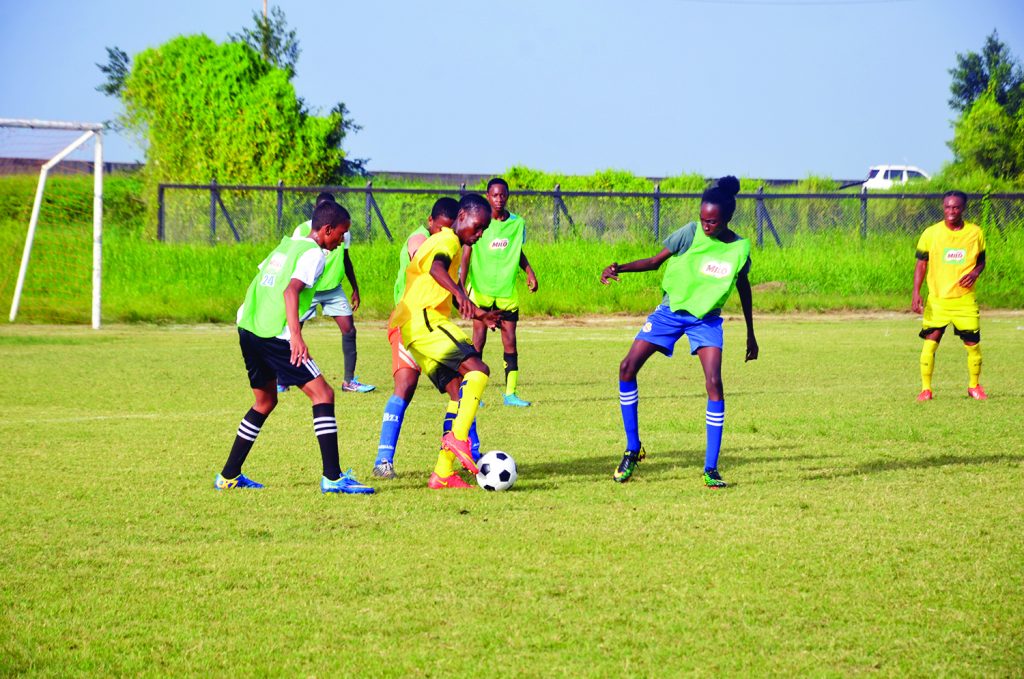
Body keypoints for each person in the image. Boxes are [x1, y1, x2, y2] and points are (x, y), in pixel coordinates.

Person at [600, 176, 758, 489]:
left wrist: (751, 333)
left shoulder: (739, 249)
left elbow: (743, 287)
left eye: (712, 221)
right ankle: (633, 449)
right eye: (702, 219)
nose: (706, 225)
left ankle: (711, 469)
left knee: (714, 383)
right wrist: (619, 268)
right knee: (627, 367)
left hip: (706, 320)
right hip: (670, 312)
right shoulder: (689, 232)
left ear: (726, 218)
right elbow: (655, 261)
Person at [215, 200, 374, 494]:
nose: (342, 241)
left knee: (264, 402)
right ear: (327, 230)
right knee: (323, 394)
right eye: (341, 233)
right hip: (275, 333)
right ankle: (333, 477)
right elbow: (291, 290)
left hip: (248, 327)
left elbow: (263, 280)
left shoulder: (287, 245)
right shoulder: (314, 254)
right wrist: (296, 337)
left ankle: (229, 475)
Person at [390, 193, 500, 489]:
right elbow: (437, 270)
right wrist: (462, 294)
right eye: (476, 227)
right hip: (423, 321)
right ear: (461, 216)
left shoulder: (447, 241)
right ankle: (459, 438)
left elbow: (435, 280)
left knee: (457, 393)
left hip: (414, 330)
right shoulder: (448, 240)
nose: (478, 235)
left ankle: (442, 472)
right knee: (479, 370)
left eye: (483, 231)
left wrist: (479, 313)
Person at [373, 197, 480, 479]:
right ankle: (383, 460)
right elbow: (429, 263)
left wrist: (472, 307)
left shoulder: (447, 241)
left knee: (460, 388)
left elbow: (444, 282)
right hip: (410, 322)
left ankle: (462, 457)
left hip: (430, 323)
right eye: (439, 228)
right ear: (431, 222)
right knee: (406, 387)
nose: (442, 232)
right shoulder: (423, 238)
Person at [285, 191, 375, 394]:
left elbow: (346, 259)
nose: (341, 239)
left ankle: (349, 381)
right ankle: (283, 379)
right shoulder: (302, 231)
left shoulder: (342, 229)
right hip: (308, 288)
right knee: (292, 332)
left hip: (333, 288)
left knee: (349, 330)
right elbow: (292, 259)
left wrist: (355, 288)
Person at [460, 177, 538, 407]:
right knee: (477, 343)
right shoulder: (479, 222)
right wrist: (462, 288)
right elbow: (466, 255)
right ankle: (475, 394)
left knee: (510, 342)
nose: (499, 199)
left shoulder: (517, 224)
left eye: (502, 195)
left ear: (507, 196)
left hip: (505, 292)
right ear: (487, 196)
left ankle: (510, 393)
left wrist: (530, 271)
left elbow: (517, 251)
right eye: (494, 195)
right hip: (482, 292)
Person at [912, 190, 987, 401]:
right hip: (938, 299)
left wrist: (975, 272)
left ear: (963, 208)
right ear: (943, 208)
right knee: (930, 342)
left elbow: (981, 260)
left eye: (955, 207)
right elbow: (921, 263)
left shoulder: (975, 232)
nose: (951, 211)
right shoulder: (931, 233)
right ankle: (926, 389)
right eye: (947, 207)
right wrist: (916, 292)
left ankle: (974, 386)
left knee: (973, 344)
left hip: (964, 299)